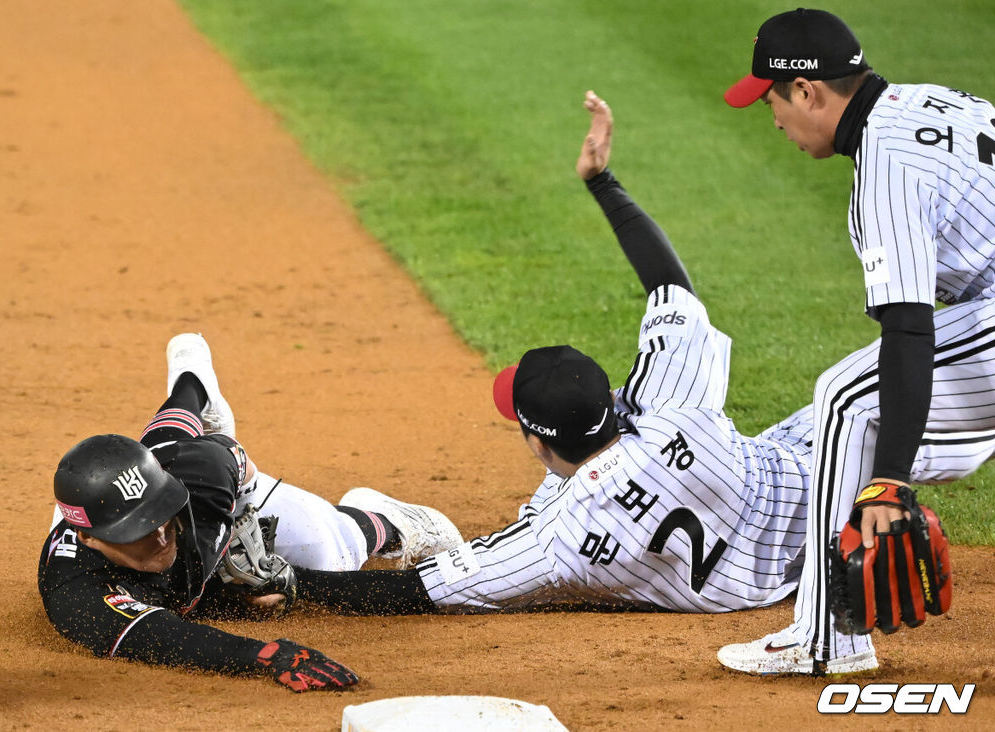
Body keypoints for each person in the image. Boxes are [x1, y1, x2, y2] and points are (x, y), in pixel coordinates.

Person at [276, 92, 995, 631]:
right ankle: (891, 496)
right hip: (807, 504)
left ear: (536, 438)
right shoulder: (672, 405)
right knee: (858, 408)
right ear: (615, 401)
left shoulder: (559, 541)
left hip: (734, 589)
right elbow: (670, 283)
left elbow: (419, 592)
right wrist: (603, 182)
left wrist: (296, 588)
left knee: (850, 401)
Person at [719, 8, 995, 674]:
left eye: (772, 99)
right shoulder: (936, 102)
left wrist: (889, 480)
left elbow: (909, 327)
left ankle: (828, 640)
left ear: (808, 91)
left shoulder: (886, 166)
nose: (773, 117)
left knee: (846, 397)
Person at [38, 333, 463, 691]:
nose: (160, 535)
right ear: (87, 537)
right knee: (161, 454)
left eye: (160, 515)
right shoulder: (76, 590)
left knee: (327, 552)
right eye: (138, 530)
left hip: (200, 473)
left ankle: (385, 520)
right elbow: (165, 638)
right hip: (151, 494)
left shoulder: (195, 486)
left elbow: (227, 458)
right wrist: (265, 655)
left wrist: (244, 521)